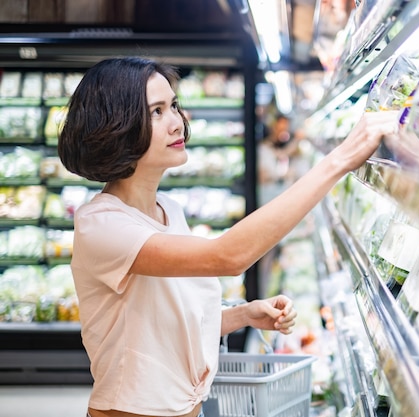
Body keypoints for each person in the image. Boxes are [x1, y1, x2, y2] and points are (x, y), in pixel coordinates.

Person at [56, 56, 399, 417]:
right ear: (116, 127)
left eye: (174, 105)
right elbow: (228, 257)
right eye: (156, 112)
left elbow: (167, 322)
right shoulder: (102, 225)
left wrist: (244, 314)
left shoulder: (167, 209)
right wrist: (339, 160)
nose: (177, 122)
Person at [257, 113, 303, 206]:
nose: (284, 132)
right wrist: (283, 175)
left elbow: (283, 154)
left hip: (281, 198)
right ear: (273, 127)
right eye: (281, 128)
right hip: (268, 200)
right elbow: (263, 177)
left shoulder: (276, 146)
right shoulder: (263, 149)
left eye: (286, 129)